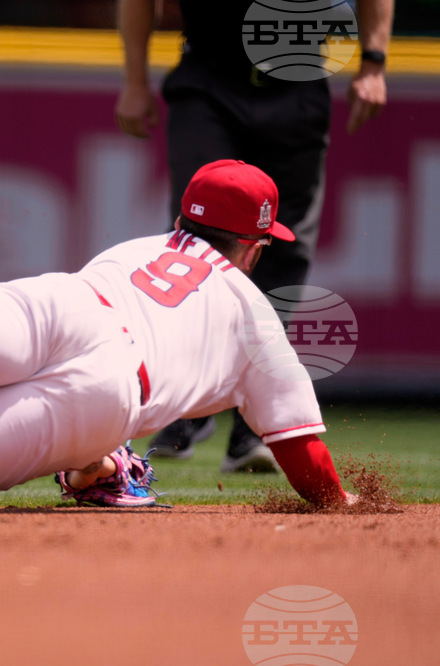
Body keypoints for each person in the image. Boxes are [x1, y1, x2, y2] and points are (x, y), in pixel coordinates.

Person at [0, 160, 354, 514]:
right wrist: (342, 501)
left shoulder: (136, 246)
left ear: (184, 216)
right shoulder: (255, 314)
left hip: (59, 302)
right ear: (255, 245)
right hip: (111, 384)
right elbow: (300, 450)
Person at [114, 0, 394, 472]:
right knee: (196, 238)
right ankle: (181, 405)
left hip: (298, 79)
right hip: (208, 75)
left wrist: (374, 62)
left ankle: (253, 431)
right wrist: (135, 82)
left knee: (281, 248)